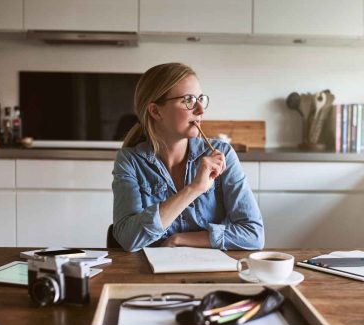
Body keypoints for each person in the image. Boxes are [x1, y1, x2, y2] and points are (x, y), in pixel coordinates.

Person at [111, 62, 264, 252]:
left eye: (200, 98)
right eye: (188, 100)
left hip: (209, 274)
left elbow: (253, 234)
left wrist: (180, 239)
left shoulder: (222, 154)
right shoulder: (130, 161)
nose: (201, 109)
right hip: (151, 274)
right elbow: (128, 239)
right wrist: (194, 189)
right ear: (156, 111)